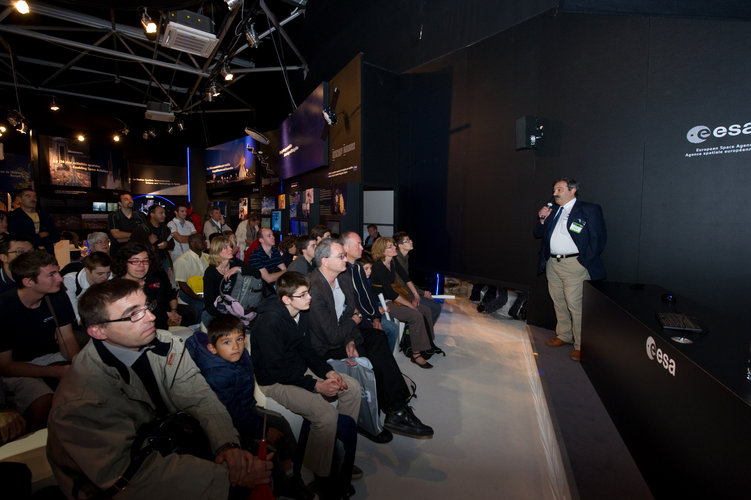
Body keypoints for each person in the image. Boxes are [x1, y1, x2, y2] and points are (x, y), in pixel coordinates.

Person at [46, 279, 273, 499]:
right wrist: (226, 477)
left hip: (170, 448)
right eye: (134, 314)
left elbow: (199, 397)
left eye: (147, 306)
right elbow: (129, 478)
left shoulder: (166, 343)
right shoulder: (81, 400)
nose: (152, 317)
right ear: (98, 331)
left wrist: (227, 445)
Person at [308, 238, 434, 439]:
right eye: (340, 256)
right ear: (324, 261)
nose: (345, 260)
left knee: (377, 337)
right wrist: (355, 323)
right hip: (325, 345)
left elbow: (350, 312)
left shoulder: (343, 277)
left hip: (344, 335)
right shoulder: (314, 288)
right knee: (369, 358)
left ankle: (397, 408)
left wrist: (351, 337)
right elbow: (333, 333)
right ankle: (370, 420)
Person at [251, 271, 359, 499]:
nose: (309, 298)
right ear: (286, 299)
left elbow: (306, 350)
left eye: (308, 292)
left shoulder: (301, 313)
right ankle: (318, 476)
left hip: (297, 370)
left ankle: (337, 450)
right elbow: (276, 368)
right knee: (326, 415)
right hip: (275, 381)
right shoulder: (269, 322)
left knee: (352, 388)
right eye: (302, 295)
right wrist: (316, 385)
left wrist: (327, 371)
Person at [186, 315, 308, 499]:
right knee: (268, 452)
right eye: (227, 342)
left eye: (240, 339)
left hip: (247, 408)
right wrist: (264, 430)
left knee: (281, 423)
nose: (235, 346)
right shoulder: (218, 375)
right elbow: (232, 413)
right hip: (231, 420)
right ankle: (280, 485)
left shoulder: (238, 355)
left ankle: (290, 476)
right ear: (212, 348)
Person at [0, 251, 80, 431]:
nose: (60, 279)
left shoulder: (57, 296)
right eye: (51, 275)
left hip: (52, 358)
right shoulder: (4, 307)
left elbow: (67, 339)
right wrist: (55, 372)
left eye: (58, 272)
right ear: (28, 281)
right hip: (18, 367)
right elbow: (5, 365)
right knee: (42, 403)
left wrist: (78, 363)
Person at [534, 177, 607, 362]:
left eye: (559, 189)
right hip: (552, 264)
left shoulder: (589, 209)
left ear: (572, 190)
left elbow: (598, 239)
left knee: (575, 304)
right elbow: (537, 233)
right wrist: (542, 219)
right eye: (554, 190)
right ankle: (564, 335)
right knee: (558, 300)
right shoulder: (554, 211)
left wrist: (583, 262)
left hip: (574, 265)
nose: (554, 193)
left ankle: (581, 345)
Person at [370, 237, 439, 368]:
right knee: (416, 315)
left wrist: (415, 295)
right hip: (383, 302)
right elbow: (390, 294)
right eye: (390, 247)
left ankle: (427, 343)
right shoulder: (379, 267)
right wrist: (409, 305)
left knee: (425, 310)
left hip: (394, 297)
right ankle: (416, 354)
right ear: (382, 251)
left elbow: (406, 278)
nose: (394, 248)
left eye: (393, 245)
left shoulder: (393, 260)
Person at [341, 232, 400, 353]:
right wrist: (371, 318)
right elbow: (352, 303)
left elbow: (367, 295)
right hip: (356, 319)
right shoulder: (343, 271)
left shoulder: (357, 267)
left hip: (368, 315)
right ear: (346, 247)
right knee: (391, 328)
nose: (362, 248)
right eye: (358, 245)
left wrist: (375, 317)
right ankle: (382, 358)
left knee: (390, 324)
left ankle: (385, 358)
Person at [112, 242, 195, 329]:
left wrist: (172, 313)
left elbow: (160, 306)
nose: (141, 265)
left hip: (157, 327)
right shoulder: (116, 287)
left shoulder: (154, 281)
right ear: (125, 263)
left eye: (145, 261)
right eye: (135, 261)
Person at [203, 235, 261, 326]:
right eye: (225, 248)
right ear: (217, 251)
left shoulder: (234, 262)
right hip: (221, 310)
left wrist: (238, 269)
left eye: (230, 246)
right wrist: (229, 317)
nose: (230, 249)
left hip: (238, 306)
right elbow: (209, 304)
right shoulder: (210, 273)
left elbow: (257, 273)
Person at [393, 231, 442, 324]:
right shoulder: (398, 259)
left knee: (433, 306)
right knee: (435, 308)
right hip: (401, 293)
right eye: (407, 241)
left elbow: (407, 281)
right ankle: (425, 334)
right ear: (400, 245)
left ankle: (425, 333)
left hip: (405, 291)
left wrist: (421, 292)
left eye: (410, 239)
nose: (411, 242)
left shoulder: (404, 257)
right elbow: (403, 284)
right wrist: (422, 293)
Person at [62, 251, 112, 323]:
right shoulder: (70, 281)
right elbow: (75, 314)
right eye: (100, 274)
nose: (105, 277)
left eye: (108, 273)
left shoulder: (110, 278)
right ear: (87, 270)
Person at [7, 188, 59, 253]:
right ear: (19, 199)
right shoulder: (13, 216)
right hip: (26, 255)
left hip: (47, 254)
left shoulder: (44, 216)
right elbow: (18, 238)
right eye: (28, 196)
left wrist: (35, 239)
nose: (33, 199)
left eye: (35, 196)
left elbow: (56, 236)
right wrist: (40, 236)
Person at [174, 233, 209, 322]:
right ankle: (198, 331)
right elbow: (183, 285)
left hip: (204, 293)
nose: (205, 242)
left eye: (204, 240)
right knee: (202, 307)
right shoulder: (182, 261)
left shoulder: (207, 257)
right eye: (202, 241)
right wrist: (198, 298)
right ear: (192, 244)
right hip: (189, 294)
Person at [131, 204, 174, 273]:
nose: (164, 215)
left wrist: (167, 244)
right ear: (152, 214)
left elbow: (172, 244)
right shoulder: (141, 229)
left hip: (162, 260)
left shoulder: (165, 229)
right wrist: (148, 242)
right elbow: (132, 246)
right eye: (161, 213)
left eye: (164, 213)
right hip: (146, 262)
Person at [248, 228, 287, 293]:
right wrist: (284, 272)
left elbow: (284, 269)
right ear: (261, 240)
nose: (273, 237)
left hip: (272, 288)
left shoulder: (274, 251)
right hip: (260, 292)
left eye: (272, 235)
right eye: (269, 236)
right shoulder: (255, 255)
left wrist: (283, 272)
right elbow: (268, 279)